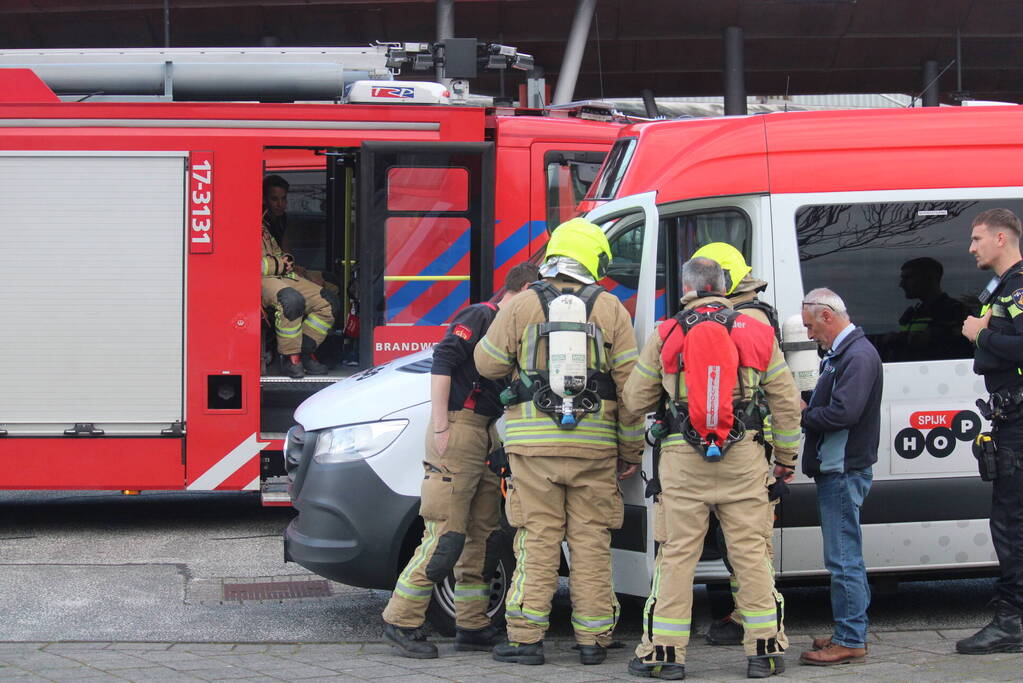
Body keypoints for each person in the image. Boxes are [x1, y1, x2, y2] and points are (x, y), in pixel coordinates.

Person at [473, 218, 645, 666]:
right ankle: (594, 642)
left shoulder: (522, 304)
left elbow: (488, 365)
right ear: (594, 259)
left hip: (532, 448)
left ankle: (526, 640)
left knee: (536, 539)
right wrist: (631, 450)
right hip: (595, 447)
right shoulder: (611, 308)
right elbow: (631, 391)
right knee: (590, 542)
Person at [623, 257, 801, 680]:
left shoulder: (666, 333)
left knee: (677, 557)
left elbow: (633, 400)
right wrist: (785, 460)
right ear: (724, 287)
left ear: (686, 288)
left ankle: (664, 656)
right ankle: (765, 652)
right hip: (744, 459)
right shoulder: (757, 331)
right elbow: (787, 404)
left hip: (683, 462)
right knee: (751, 556)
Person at [382, 262, 539, 659]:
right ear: (519, 291)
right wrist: (440, 426)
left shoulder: (513, 333)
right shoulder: (481, 315)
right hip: (458, 430)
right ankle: (401, 620)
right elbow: (444, 361)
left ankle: (472, 624)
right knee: (446, 535)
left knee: (483, 536)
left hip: (485, 433)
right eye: (533, 299)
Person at [691, 242, 796, 651]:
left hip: (749, 444)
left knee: (752, 545)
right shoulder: (753, 314)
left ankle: (750, 621)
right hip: (755, 444)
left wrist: (781, 457)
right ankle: (750, 619)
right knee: (748, 541)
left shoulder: (742, 319)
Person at [798, 288, 882, 666]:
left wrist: (803, 412)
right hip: (835, 467)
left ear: (827, 317)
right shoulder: (842, 354)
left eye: (811, 326)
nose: (810, 334)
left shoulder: (858, 356)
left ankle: (850, 638)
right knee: (846, 557)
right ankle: (850, 630)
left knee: (843, 559)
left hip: (842, 469)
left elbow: (843, 414)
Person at [958, 208, 1023, 655]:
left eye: (978, 238)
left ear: (1002, 238)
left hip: (1019, 422)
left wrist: (981, 336)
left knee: (1011, 523)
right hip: (1009, 418)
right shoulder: (1002, 288)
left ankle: (1012, 623)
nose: (971, 246)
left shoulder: (1018, 287)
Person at [261, 210, 335, 378]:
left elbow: (277, 252)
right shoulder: (236, 224)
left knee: (327, 301)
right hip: (258, 280)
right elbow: (244, 263)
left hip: (281, 275)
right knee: (291, 301)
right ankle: (291, 358)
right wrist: (280, 264)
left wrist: (286, 259)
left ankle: (304, 353)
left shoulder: (262, 226)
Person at [875, 257, 970, 362]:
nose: (901, 284)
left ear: (929, 278)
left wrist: (899, 339)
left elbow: (945, 347)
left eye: (908, 278)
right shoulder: (917, 312)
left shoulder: (954, 312)